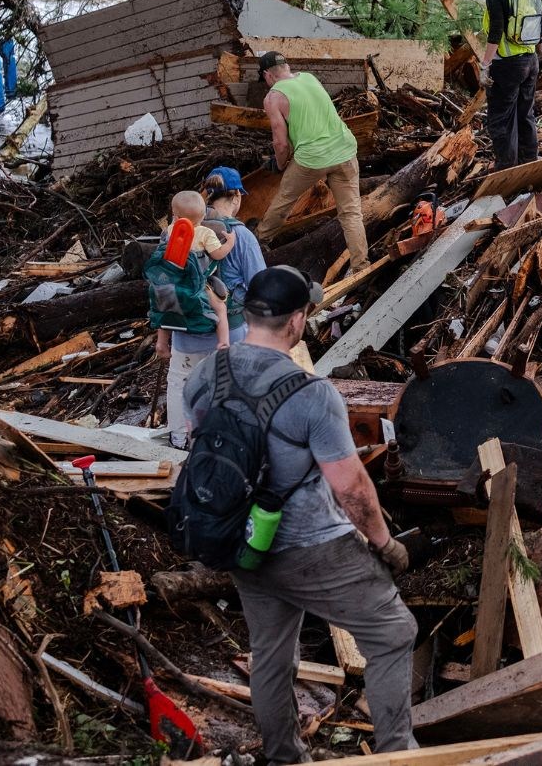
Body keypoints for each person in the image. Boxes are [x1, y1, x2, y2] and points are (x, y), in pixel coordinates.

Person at [186, 265, 418, 759]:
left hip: (240, 541)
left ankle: (284, 756)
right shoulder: (312, 394)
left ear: (248, 314)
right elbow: (352, 488)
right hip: (310, 547)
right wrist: (385, 543)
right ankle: (400, 753)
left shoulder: (208, 373)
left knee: (270, 653)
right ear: (296, 321)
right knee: (394, 632)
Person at [257, 51, 369, 271]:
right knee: (351, 212)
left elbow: (281, 144)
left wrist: (279, 165)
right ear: (287, 66)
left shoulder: (273, 97)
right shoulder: (309, 77)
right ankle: (361, 265)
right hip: (344, 149)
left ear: (267, 75)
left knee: (285, 199)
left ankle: (259, 240)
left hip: (312, 158)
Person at [153, 190, 243, 448]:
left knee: (178, 381)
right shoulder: (204, 233)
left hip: (175, 292)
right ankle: (223, 341)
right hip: (201, 288)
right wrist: (231, 242)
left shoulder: (169, 234)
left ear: (174, 215)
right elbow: (218, 255)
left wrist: (163, 341)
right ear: (204, 215)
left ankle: (179, 438)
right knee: (221, 311)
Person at [471, 0, 541, 170]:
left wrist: (485, 65)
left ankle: (506, 169)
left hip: (507, 65)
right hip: (530, 62)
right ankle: (529, 164)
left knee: (501, 118)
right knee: (525, 114)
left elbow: (496, 31)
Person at [202, 165, 267, 330]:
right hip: (230, 329)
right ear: (237, 196)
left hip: (186, 332)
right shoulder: (242, 235)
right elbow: (260, 287)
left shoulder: (189, 228)